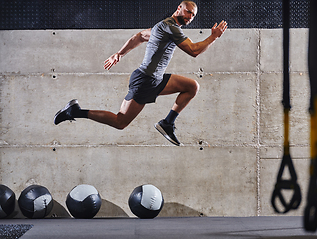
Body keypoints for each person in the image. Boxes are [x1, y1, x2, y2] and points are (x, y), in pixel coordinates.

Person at [54, 1, 227, 146]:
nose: (190, 17)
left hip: (155, 79)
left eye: (193, 15)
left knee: (191, 86)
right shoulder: (171, 27)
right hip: (145, 81)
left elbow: (140, 36)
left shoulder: (162, 26)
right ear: (179, 8)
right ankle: (75, 112)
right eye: (188, 12)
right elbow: (194, 50)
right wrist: (214, 37)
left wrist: (120, 54)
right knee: (120, 121)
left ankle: (167, 123)